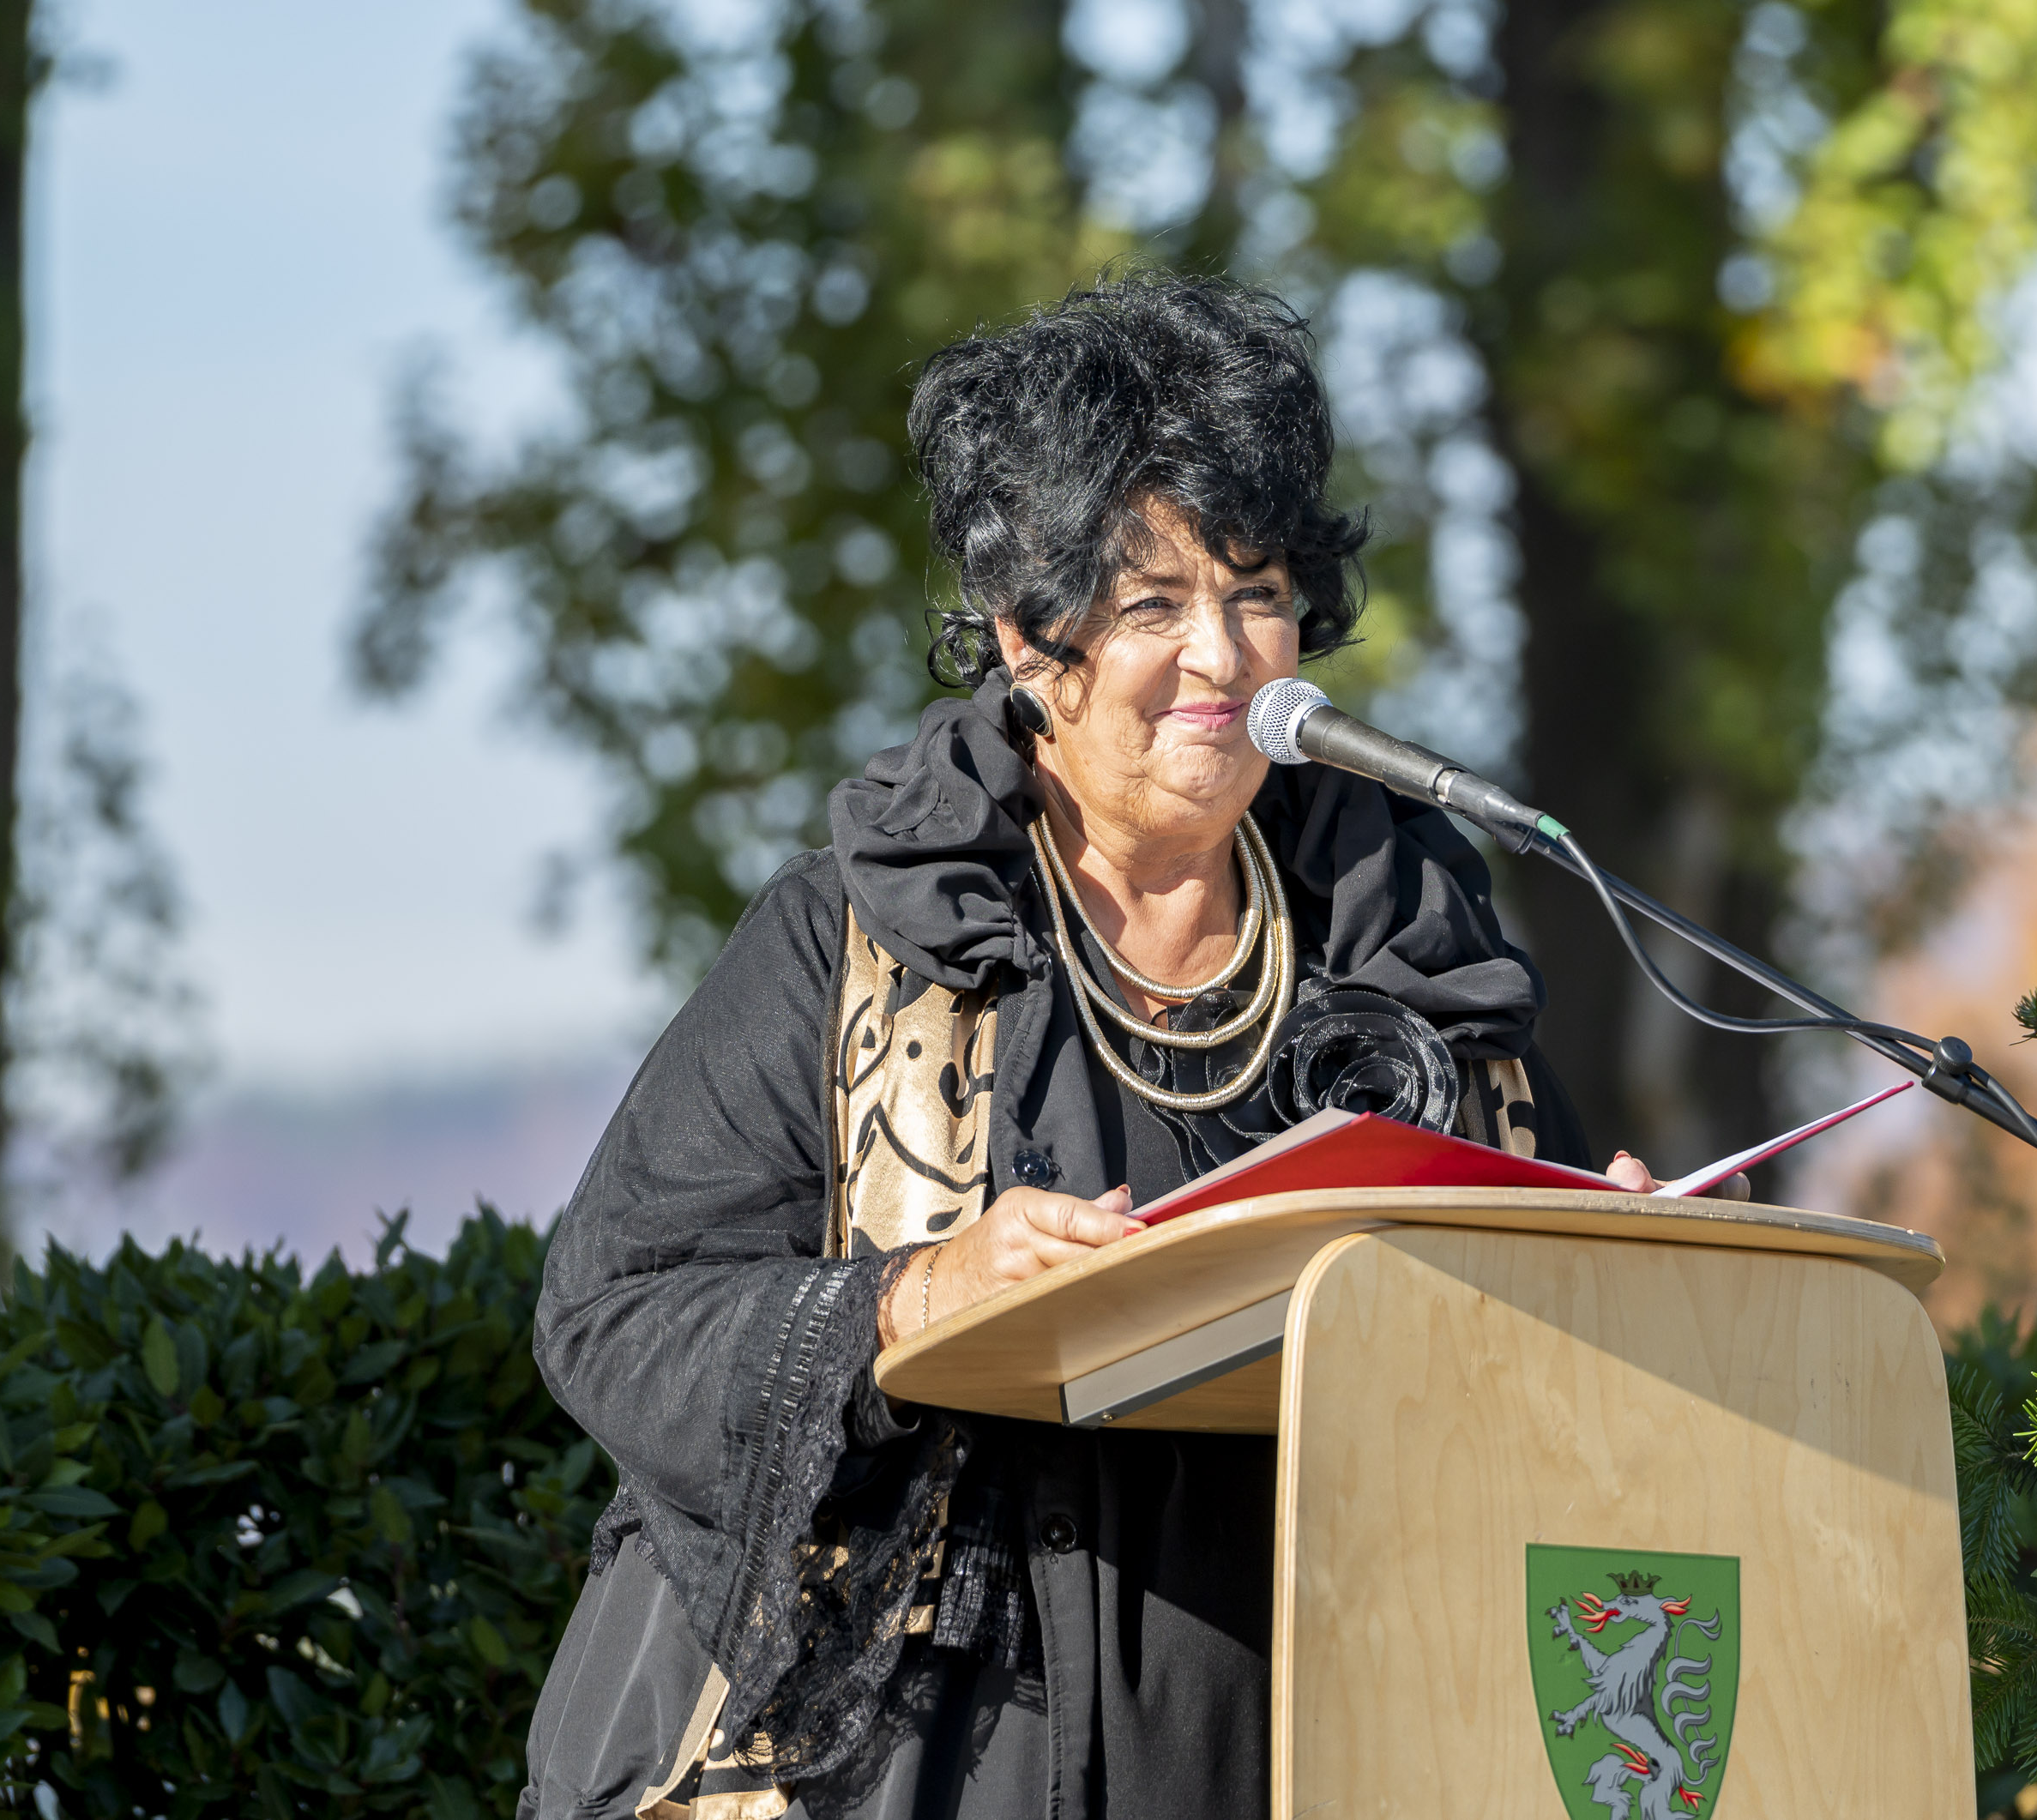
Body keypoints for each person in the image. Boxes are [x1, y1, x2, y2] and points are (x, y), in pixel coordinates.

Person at [518, 269, 1656, 1820]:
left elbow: (1519, 1280)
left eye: (1256, 591)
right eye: (1150, 605)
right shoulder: (852, 933)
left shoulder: (1405, 932)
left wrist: (1620, 1256)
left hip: (1306, 1744)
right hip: (912, 1766)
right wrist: (913, 1297)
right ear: (1025, 641)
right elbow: (611, 1315)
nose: (1224, 657)